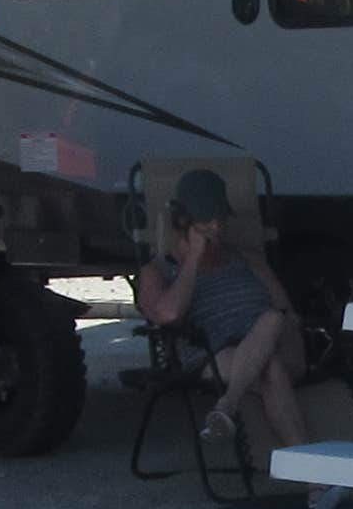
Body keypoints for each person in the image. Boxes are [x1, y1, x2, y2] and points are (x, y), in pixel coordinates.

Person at [132, 169, 309, 464]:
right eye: (206, 220)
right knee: (270, 368)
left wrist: (274, 333)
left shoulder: (248, 260)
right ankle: (312, 477)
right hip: (213, 355)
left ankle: (226, 405)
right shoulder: (158, 271)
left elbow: (287, 312)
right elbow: (168, 313)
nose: (216, 226)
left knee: (271, 321)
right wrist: (192, 262)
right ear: (183, 222)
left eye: (220, 218)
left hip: (277, 343)